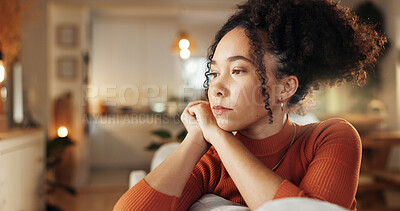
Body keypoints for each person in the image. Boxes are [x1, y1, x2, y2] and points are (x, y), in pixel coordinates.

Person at [114, 0, 386, 210]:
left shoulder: (330, 138)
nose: (215, 89)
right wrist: (197, 138)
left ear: (285, 87)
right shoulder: (211, 163)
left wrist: (219, 138)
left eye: (237, 71)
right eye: (214, 73)